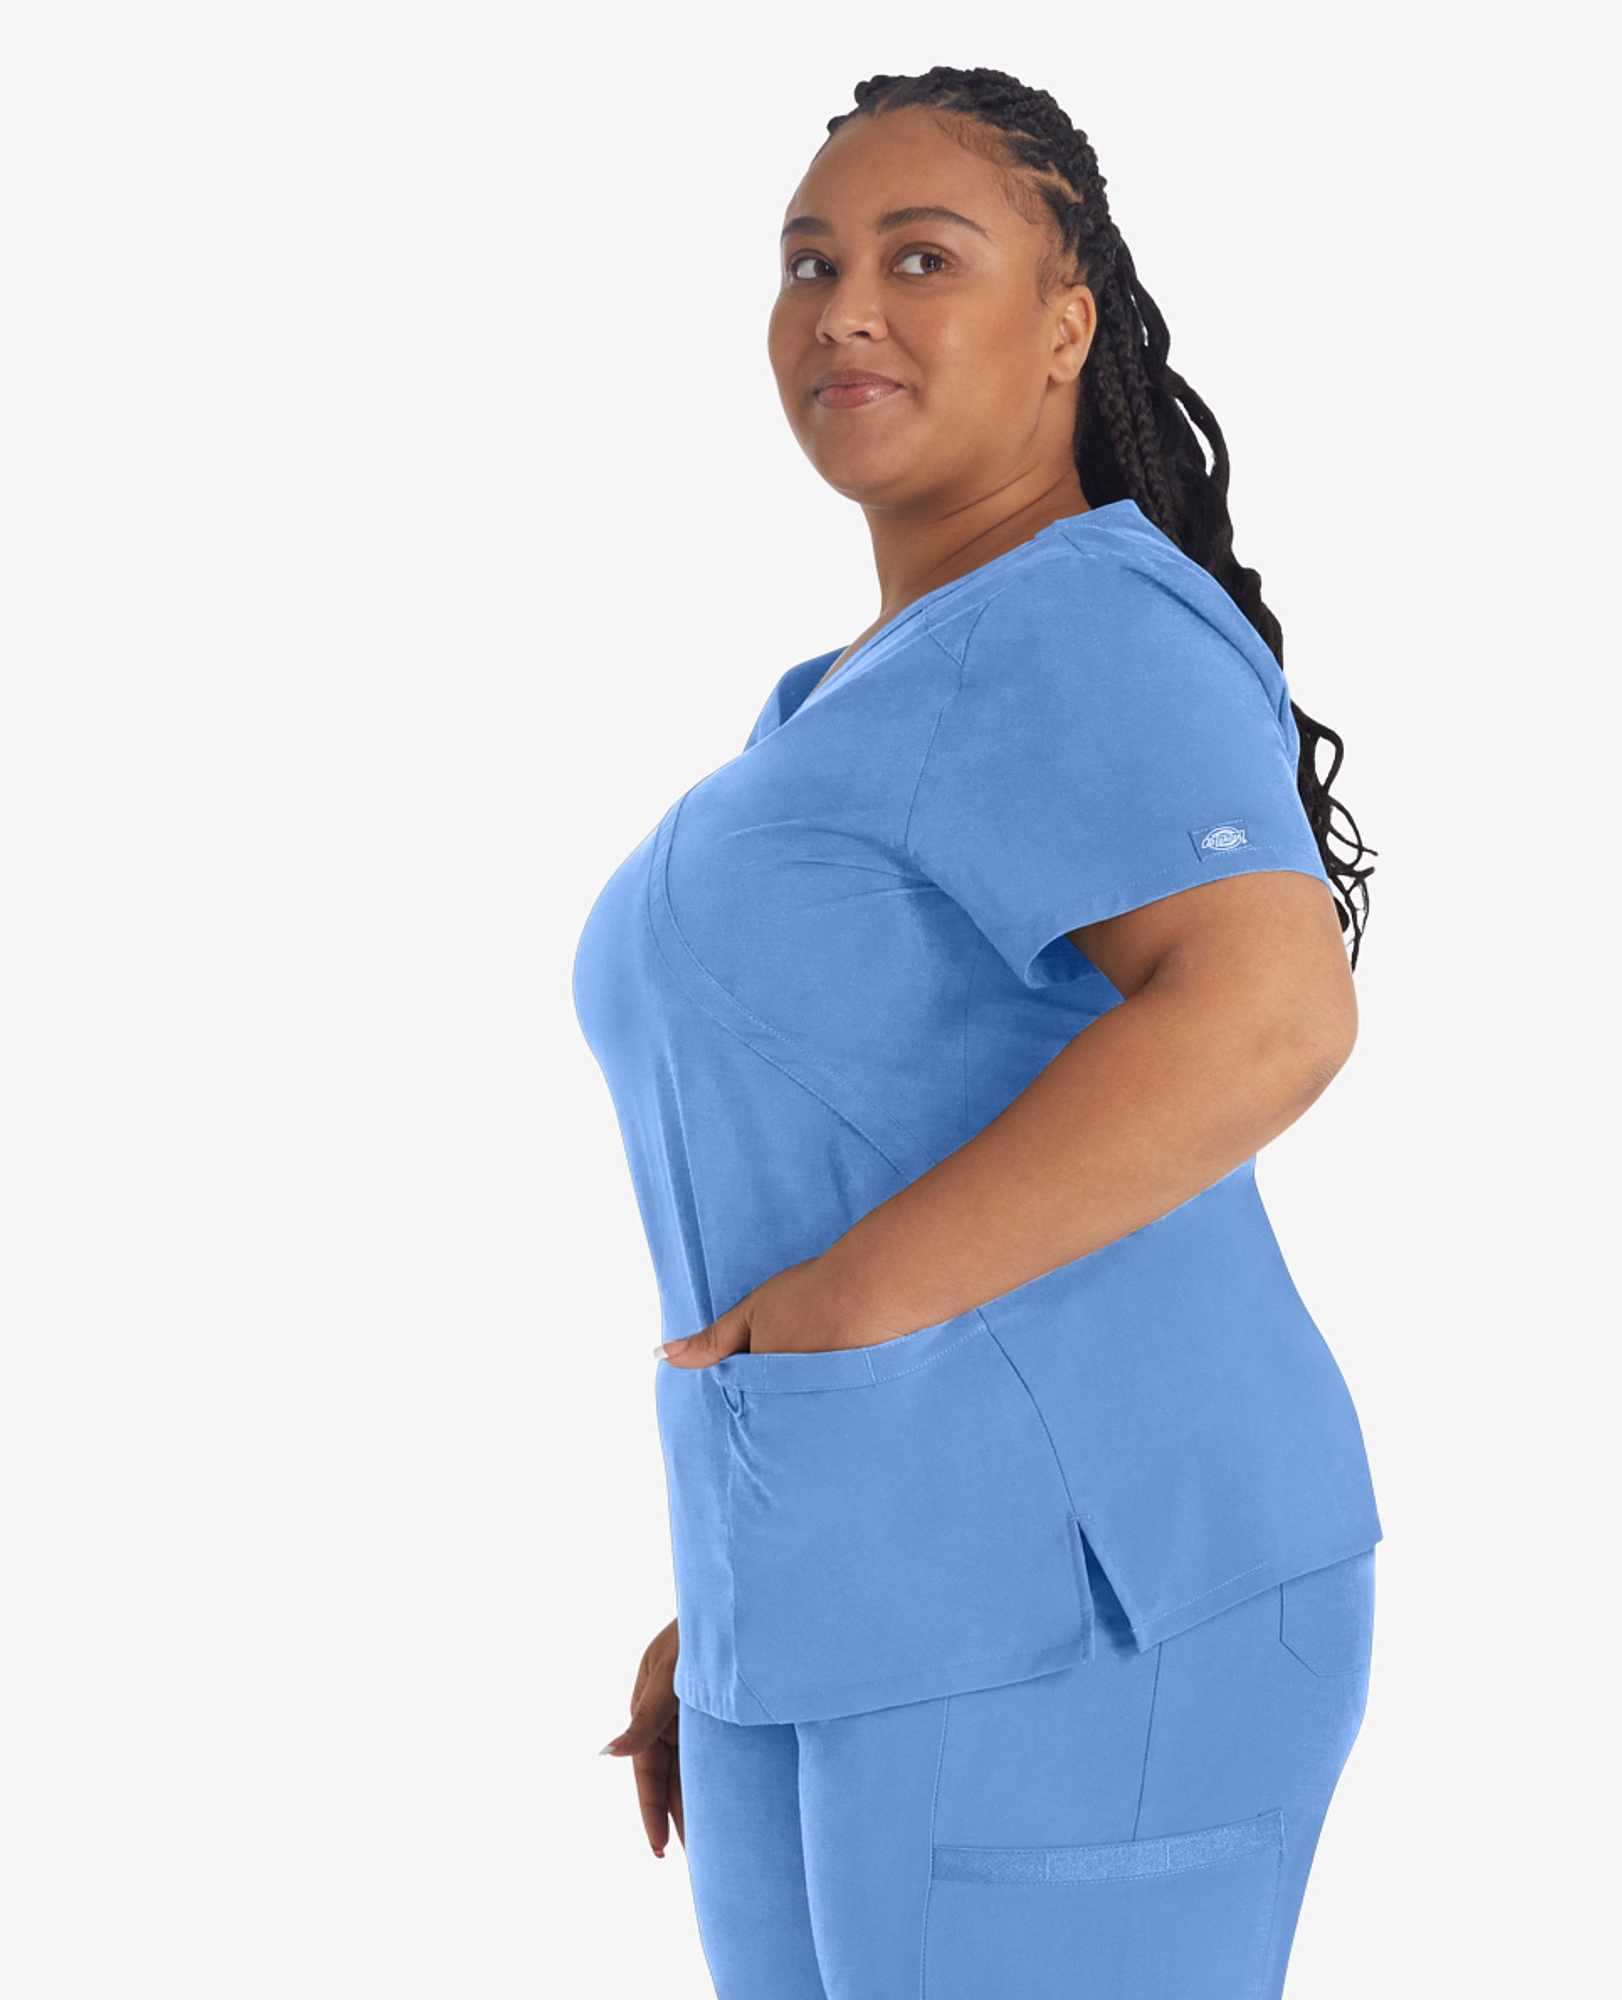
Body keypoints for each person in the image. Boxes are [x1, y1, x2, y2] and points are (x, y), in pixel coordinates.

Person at [572, 65, 1384, 1999]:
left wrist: (841, 1320)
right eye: (809, 263)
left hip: (1091, 1603)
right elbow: (852, 1125)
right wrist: (755, 1570)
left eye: (922, 258)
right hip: (846, 1598)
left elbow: (1271, 1004)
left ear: (1066, 323)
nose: (845, 307)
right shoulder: (849, 699)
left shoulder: (1085, 623)